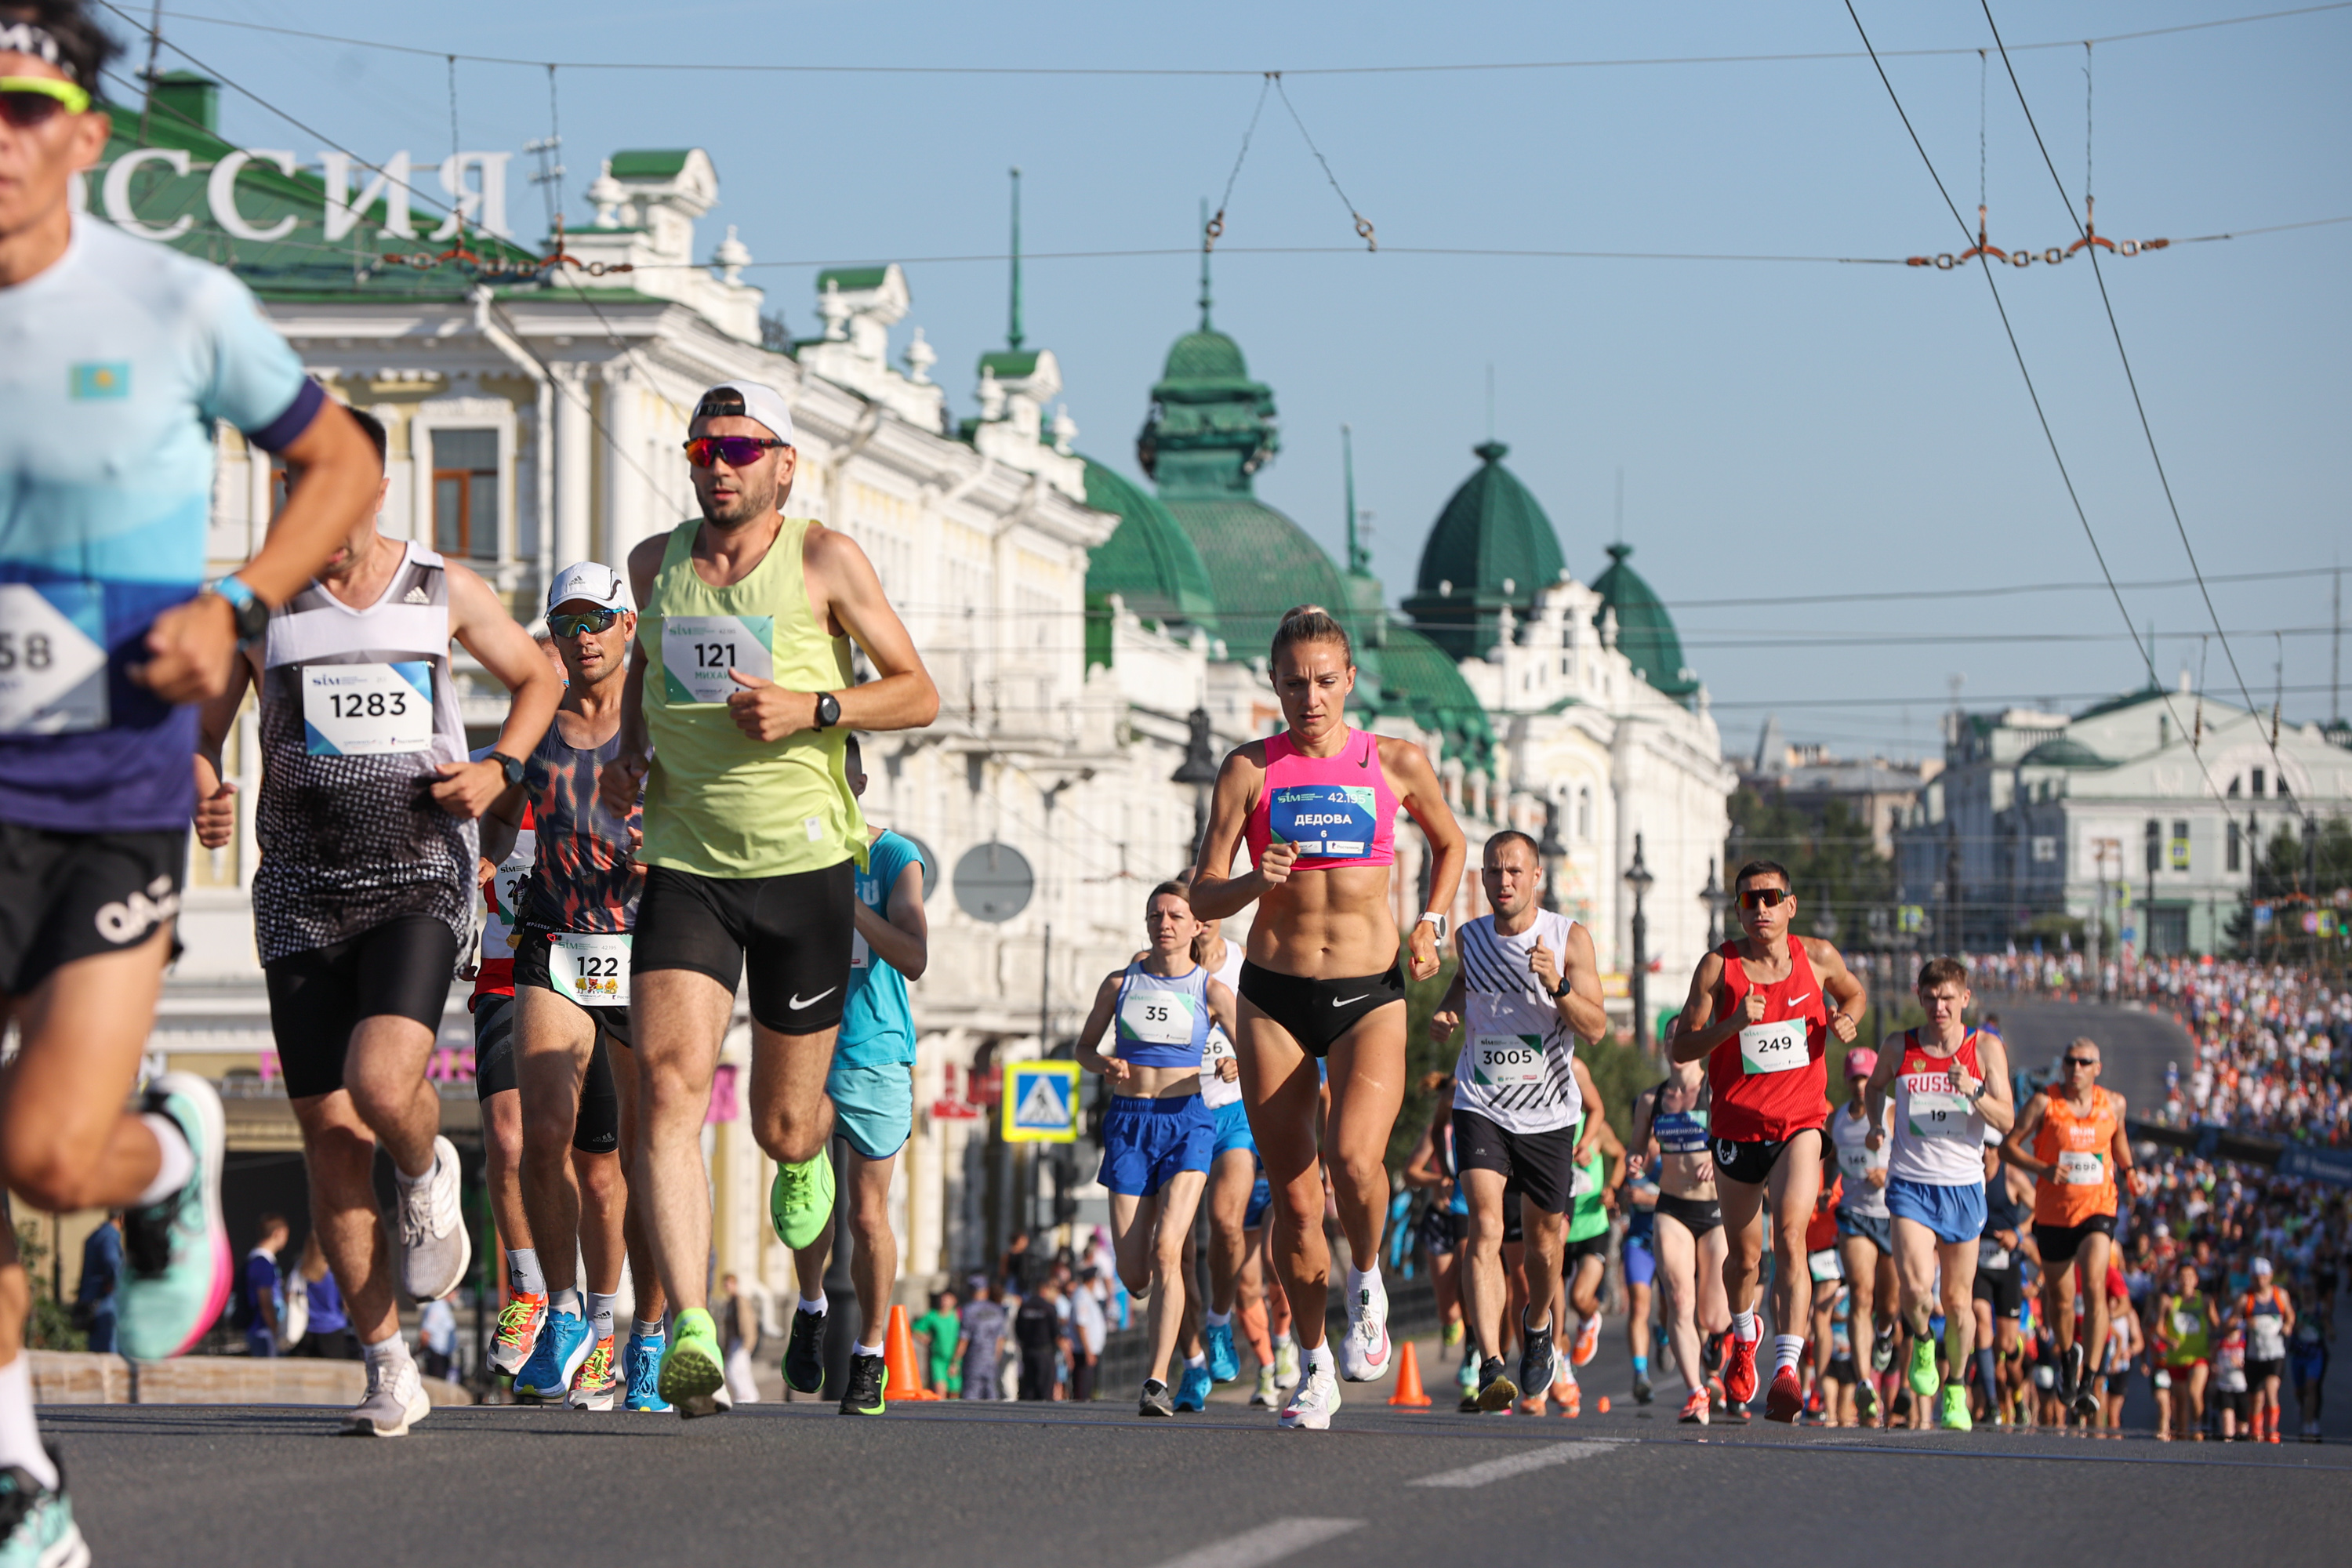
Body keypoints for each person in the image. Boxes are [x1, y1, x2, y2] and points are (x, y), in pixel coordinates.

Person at [0, 2, 381, 1548]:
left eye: (23, 110)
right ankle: (18, 1473)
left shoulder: (171, 301)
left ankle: (176, 1149)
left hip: (111, 786)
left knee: (42, 1152)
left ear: (84, 135)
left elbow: (341, 460)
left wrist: (232, 608)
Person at [194, 406, 559, 1438]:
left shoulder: (441, 589)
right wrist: (203, 778)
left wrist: (502, 768)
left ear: (376, 488)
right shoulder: (256, 608)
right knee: (324, 1136)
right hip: (302, 888)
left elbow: (538, 676)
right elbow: (206, 727)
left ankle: (424, 1167)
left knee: (380, 1082)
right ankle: (388, 1361)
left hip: (417, 877)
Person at [593, 381, 938, 1418]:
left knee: (786, 1129)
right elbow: (648, 682)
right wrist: (627, 759)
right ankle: (688, 1328)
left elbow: (917, 690)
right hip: (689, 868)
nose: (720, 464)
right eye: (705, 447)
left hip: (803, 873)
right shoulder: (654, 566)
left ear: (785, 463)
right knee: (664, 1092)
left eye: (743, 448)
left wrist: (816, 705)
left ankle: (803, 1153)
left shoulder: (825, 559)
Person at [1187, 605, 1466, 1431]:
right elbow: (1201, 888)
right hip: (1274, 993)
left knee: (1354, 1156)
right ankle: (1313, 1364)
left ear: (1348, 678)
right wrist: (1251, 881)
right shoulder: (1248, 770)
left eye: (1324, 679)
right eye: (1293, 682)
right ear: (1274, 684)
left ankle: (1369, 1277)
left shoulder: (1394, 762)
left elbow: (1451, 844)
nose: (1310, 696)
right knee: (1297, 1202)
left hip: (1368, 989)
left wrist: (1433, 924)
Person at [483, 564, 659, 1414]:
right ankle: (562, 1309)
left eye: (596, 620)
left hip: (650, 950)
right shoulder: (536, 717)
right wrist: (480, 860)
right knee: (542, 1131)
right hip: (553, 937)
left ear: (628, 626)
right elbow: (497, 796)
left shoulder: (660, 723)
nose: (581, 636)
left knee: (642, 1156)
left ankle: (648, 1332)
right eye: (566, 623)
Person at [1670, 860, 1867, 1423]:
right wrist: (1731, 1025)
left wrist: (1848, 1019)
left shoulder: (1819, 957)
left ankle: (1786, 1368)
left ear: (1790, 905)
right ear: (1739, 909)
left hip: (1801, 1121)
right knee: (1745, 1258)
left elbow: (1855, 995)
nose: (1760, 909)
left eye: (1770, 898)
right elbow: (1681, 1050)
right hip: (1736, 1127)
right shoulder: (1718, 967)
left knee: (1791, 1234)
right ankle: (1743, 1339)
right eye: (1749, 900)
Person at [1425, 829, 1610, 1415]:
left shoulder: (1567, 937)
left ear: (1536, 879)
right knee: (1482, 1226)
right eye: (1493, 872)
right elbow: (1463, 980)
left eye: (1513, 872)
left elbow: (1597, 1027)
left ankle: (1537, 1328)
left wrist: (1557, 983)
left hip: (1549, 1112)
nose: (1502, 882)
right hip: (1480, 1101)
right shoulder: (1470, 937)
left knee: (1543, 1242)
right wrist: (1450, 1007)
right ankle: (1490, 1362)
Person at [782, 734, 927, 1416]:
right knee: (808, 1193)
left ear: (862, 783)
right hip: (803, 1042)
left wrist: (849, 902)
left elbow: (913, 954)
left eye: (842, 780)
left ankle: (870, 1355)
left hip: (873, 1049)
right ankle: (811, 1308)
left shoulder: (896, 857)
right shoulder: (788, 849)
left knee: (867, 1214)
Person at [1075, 882, 1237, 1416]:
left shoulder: (1210, 990)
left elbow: (1256, 1048)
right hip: (1129, 1121)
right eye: (1156, 915)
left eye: (1175, 915)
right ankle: (1161, 1326)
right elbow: (1084, 1049)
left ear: (1196, 927)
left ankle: (1156, 1380)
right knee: (1134, 1272)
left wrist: (1240, 1063)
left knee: (1171, 1249)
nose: (1164, 923)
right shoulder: (1121, 984)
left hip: (1187, 1120)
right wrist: (1106, 1065)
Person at [470, 632, 569, 1388]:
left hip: (594, 979)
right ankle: (530, 1287)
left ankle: (601, 1317)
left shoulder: (609, 766)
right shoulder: (498, 774)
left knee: (590, 1160)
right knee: (507, 1142)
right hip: (507, 973)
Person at [1860, 956, 2013, 1432]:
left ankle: (1956, 1387)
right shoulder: (1899, 1046)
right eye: (1930, 998)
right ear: (1920, 998)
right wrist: (1873, 1124)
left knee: (1959, 1301)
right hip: (1910, 1184)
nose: (1939, 1007)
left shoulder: (1985, 1049)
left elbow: (2006, 1122)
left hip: (1964, 1188)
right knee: (1915, 1289)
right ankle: (1923, 1339)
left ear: (1965, 999)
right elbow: (1874, 1087)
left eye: (1948, 998)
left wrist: (1974, 1092)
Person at [2002, 1035, 2136, 1422]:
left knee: (2094, 1282)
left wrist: (2130, 1172)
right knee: (2061, 1301)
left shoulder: (2114, 1104)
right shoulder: (2045, 1103)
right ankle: (2067, 1357)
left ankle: (2091, 1378)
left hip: (2098, 1208)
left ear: (2098, 1068)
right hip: (2053, 1213)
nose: (2076, 1069)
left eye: (2084, 1062)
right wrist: (2042, 1169)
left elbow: (2120, 1140)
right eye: (2070, 1062)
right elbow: (2011, 1146)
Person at [1632, 1063, 1730, 1425]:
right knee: (1678, 1299)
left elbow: (1737, 1140)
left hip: (1715, 1210)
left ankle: (1718, 1340)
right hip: (1672, 1208)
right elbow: (1637, 1146)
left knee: (1713, 1316)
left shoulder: (1716, 1090)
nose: (1677, 1045)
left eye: (1683, 1037)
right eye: (1671, 1037)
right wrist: (1634, 1160)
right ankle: (1695, 1393)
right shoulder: (1653, 1099)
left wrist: (1719, 1162)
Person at [1187, 910, 1256, 1395]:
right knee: (1173, 1250)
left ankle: (1219, 1319)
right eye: (1189, 911)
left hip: (1234, 1114)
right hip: (1179, 1112)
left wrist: (1243, 1058)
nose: (1200, 918)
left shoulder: (1244, 963)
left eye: (1208, 908)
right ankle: (1192, 1361)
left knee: (1228, 1224)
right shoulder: (1154, 969)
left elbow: (1269, 1031)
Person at [1828, 1047, 1896, 1424]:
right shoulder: (1837, 1121)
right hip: (1855, 1217)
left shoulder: (1893, 1113)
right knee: (1861, 1292)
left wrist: (1889, 1177)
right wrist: (1826, 1188)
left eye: (1867, 1078)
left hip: (1893, 1217)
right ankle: (1865, 1380)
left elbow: (1918, 1156)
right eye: (1854, 1078)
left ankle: (1885, 1333)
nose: (1860, 1085)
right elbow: (1830, 1159)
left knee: (1888, 1304)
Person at [1402, 1077, 1472, 1401]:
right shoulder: (1438, 1131)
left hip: (1470, 1217)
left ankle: (1473, 1353)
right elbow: (1410, 1171)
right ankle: (1453, 1324)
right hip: (1441, 1220)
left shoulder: (1479, 1126)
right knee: (1449, 1308)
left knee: (1470, 1282)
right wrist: (1438, 1180)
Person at [1557, 1112, 1625, 1417]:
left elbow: (1621, 1155)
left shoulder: (1594, 1127)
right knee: (1553, 1312)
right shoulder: (1547, 1121)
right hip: (1560, 1229)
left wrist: (1612, 1187)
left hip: (1593, 1227)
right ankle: (1565, 1373)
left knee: (1579, 1298)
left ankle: (1589, 1318)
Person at [1971, 1134, 2031, 1425]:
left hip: (2007, 1265)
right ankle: (1993, 1403)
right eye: (1982, 1146)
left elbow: (2039, 1205)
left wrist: (2017, 1234)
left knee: (2007, 1346)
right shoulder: (1968, 1172)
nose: (1985, 1153)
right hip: (1979, 1262)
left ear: (1998, 1150)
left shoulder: (2012, 1177)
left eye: (1991, 1148)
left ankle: (2017, 1396)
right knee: (1981, 1319)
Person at [2152, 1261, 2214, 1440]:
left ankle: (2198, 1427)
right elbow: (2158, 1330)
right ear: (2176, 1280)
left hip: (2198, 1356)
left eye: (2189, 1277)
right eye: (2182, 1277)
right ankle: (2183, 1440)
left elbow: (2217, 1326)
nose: (2186, 1281)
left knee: (2195, 1393)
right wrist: (2168, 1340)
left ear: (2196, 1280)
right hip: (2176, 1358)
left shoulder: (2205, 1301)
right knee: (2180, 1403)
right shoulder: (2169, 1301)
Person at [1617, 1149, 1660, 1406]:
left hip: (1669, 1243)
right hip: (1639, 1242)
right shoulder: (1630, 1161)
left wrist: (1649, 1199)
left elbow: (1689, 1196)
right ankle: (1641, 1373)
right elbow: (1620, 1195)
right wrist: (1618, 1199)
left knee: (1670, 1308)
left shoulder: (1673, 1157)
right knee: (1639, 1307)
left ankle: (1664, 1334)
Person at [2238, 1257, 2294, 1444]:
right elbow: (2229, 1322)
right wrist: (2245, 1323)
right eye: (2256, 1278)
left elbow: (2290, 1315)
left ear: (2270, 1276)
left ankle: (2272, 1431)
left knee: (2271, 1390)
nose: (2260, 1281)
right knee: (2256, 1398)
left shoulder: (2280, 1295)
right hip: (2254, 1354)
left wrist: (2287, 1326)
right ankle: (2256, 1433)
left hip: (2275, 1353)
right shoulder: (2246, 1298)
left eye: (2263, 1277)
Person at [290, 1230, 356, 1362]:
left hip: (306, 1331)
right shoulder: (337, 1271)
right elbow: (347, 1304)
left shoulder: (301, 1269)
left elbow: (290, 1296)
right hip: (333, 1330)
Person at [238, 1214, 290, 1359]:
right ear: (277, 1233)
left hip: (262, 1331)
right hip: (264, 1332)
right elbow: (265, 1301)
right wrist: (276, 1332)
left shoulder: (257, 1261)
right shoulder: (262, 1264)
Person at [71, 1216, 119, 1356]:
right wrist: (117, 1282)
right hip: (103, 1301)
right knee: (109, 1352)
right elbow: (112, 1261)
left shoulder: (95, 1235)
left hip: (90, 1303)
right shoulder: (110, 1236)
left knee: (96, 1351)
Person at [2288, 1276, 2328, 1442]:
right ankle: (2303, 1408)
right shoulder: (2295, 1308)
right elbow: (2289, 1328)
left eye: (2309, 1290)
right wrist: (2297, 1325)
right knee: (2300, 1390)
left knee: (2312, 1386)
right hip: (2299, 1354)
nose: (2307, 1294)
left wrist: (2325, 1327)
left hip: (2315, 1354)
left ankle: (2309, 1423)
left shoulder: (2321, 1308)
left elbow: (2330, 1331)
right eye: (2304, 1290)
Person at [955, 1278, 1008, 1402]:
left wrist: (955, 1361)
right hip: (991, 1359)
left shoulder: (968, 1310)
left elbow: (964, 1339)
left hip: (974, 1358)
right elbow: (1000, 1339)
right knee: (991, 1393)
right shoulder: (997, 1310)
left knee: (971, 1395)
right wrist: (996, 1358)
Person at [1014, 1272, 1065, 1401]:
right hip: (1045, 1353)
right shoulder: (1049, 1308)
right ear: (1045, 1289)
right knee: (1045, 1391)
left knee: (1029, 1390)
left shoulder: (1024, 1307)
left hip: (1028, 1351)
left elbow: (1018, 1330)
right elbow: (1056, 1333)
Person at [913, 1288, 962, 1399]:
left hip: (954, 1358)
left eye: (948, 1299)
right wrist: (924, 1339)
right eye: (943, 1299)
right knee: (940, 1389)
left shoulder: (957, 1316)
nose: (944, 1301)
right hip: (938, 1358)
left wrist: (956, 1361)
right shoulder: (932, 1316)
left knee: (954, 1391)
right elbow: (916, 1328)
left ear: (954, 1301)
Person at [1069, 1269, 1106, 1403]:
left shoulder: (1088, 1295)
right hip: (1083, 1351)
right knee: (1082, 1390)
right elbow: (1081, 1325)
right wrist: (1088, 1350)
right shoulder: (1081, 1297)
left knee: (1087, 1387)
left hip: (1089, 1350)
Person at [419, 1292, 459, 1383]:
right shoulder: (436, 1307)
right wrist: (419, 1350)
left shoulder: (445, 1307)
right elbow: (426, 1333)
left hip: (444, 1356)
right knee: (436, 1384)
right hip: (436, 1356)